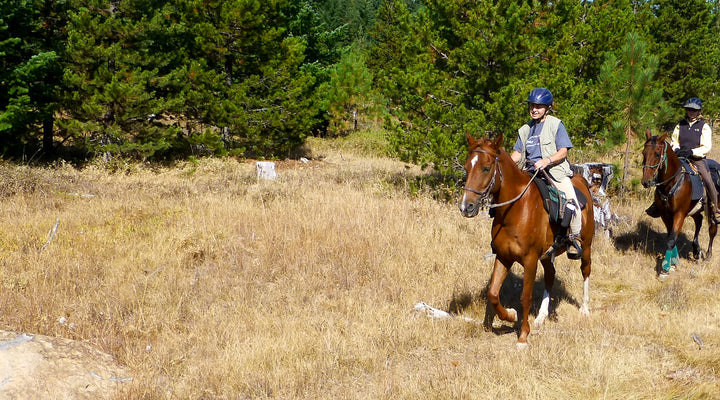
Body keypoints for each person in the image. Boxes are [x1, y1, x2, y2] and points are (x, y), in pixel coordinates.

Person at [510, 88, 582, 258]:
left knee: (572, 201)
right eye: (532, 105)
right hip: (529, 171)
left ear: (547, 108)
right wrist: (502, 160)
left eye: (539, 106)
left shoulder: (555, 124)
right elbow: (517, 154)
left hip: (554, 171)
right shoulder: (525, 129)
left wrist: (547, 160)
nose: (534, 109)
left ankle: (574, 238)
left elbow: (563, 151)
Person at [672, 98, 719, 223]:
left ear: (699, 111)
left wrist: (692, 152)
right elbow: (674, 140)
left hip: (697, 159)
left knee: (708, 180)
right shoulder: (680, 125)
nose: (691, 112)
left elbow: (706, 147)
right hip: (680, 156)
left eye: (694, 110)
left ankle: (715, 209)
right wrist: (676, 149)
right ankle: (657, 204)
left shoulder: (704, 127)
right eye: (689, 110)